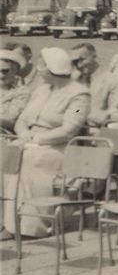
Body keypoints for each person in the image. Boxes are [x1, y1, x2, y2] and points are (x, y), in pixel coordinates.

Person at [5, 48, 91, 238]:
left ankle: (33, 226)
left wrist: (38, 139)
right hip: (28, 140)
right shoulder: (41, 90)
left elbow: (70, 129)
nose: (37, 70)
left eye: (41, 66)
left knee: (30, 159)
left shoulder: (80, 96)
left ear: (52, 68)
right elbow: (22, 119)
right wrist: (25, 134)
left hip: (58, 147)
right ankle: (8, 223)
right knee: (7, 156)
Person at [1, 49, 31, 133]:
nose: (1, 75)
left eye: (5, 71)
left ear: (16, 70)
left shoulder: (22, 92)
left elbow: (11, 120)